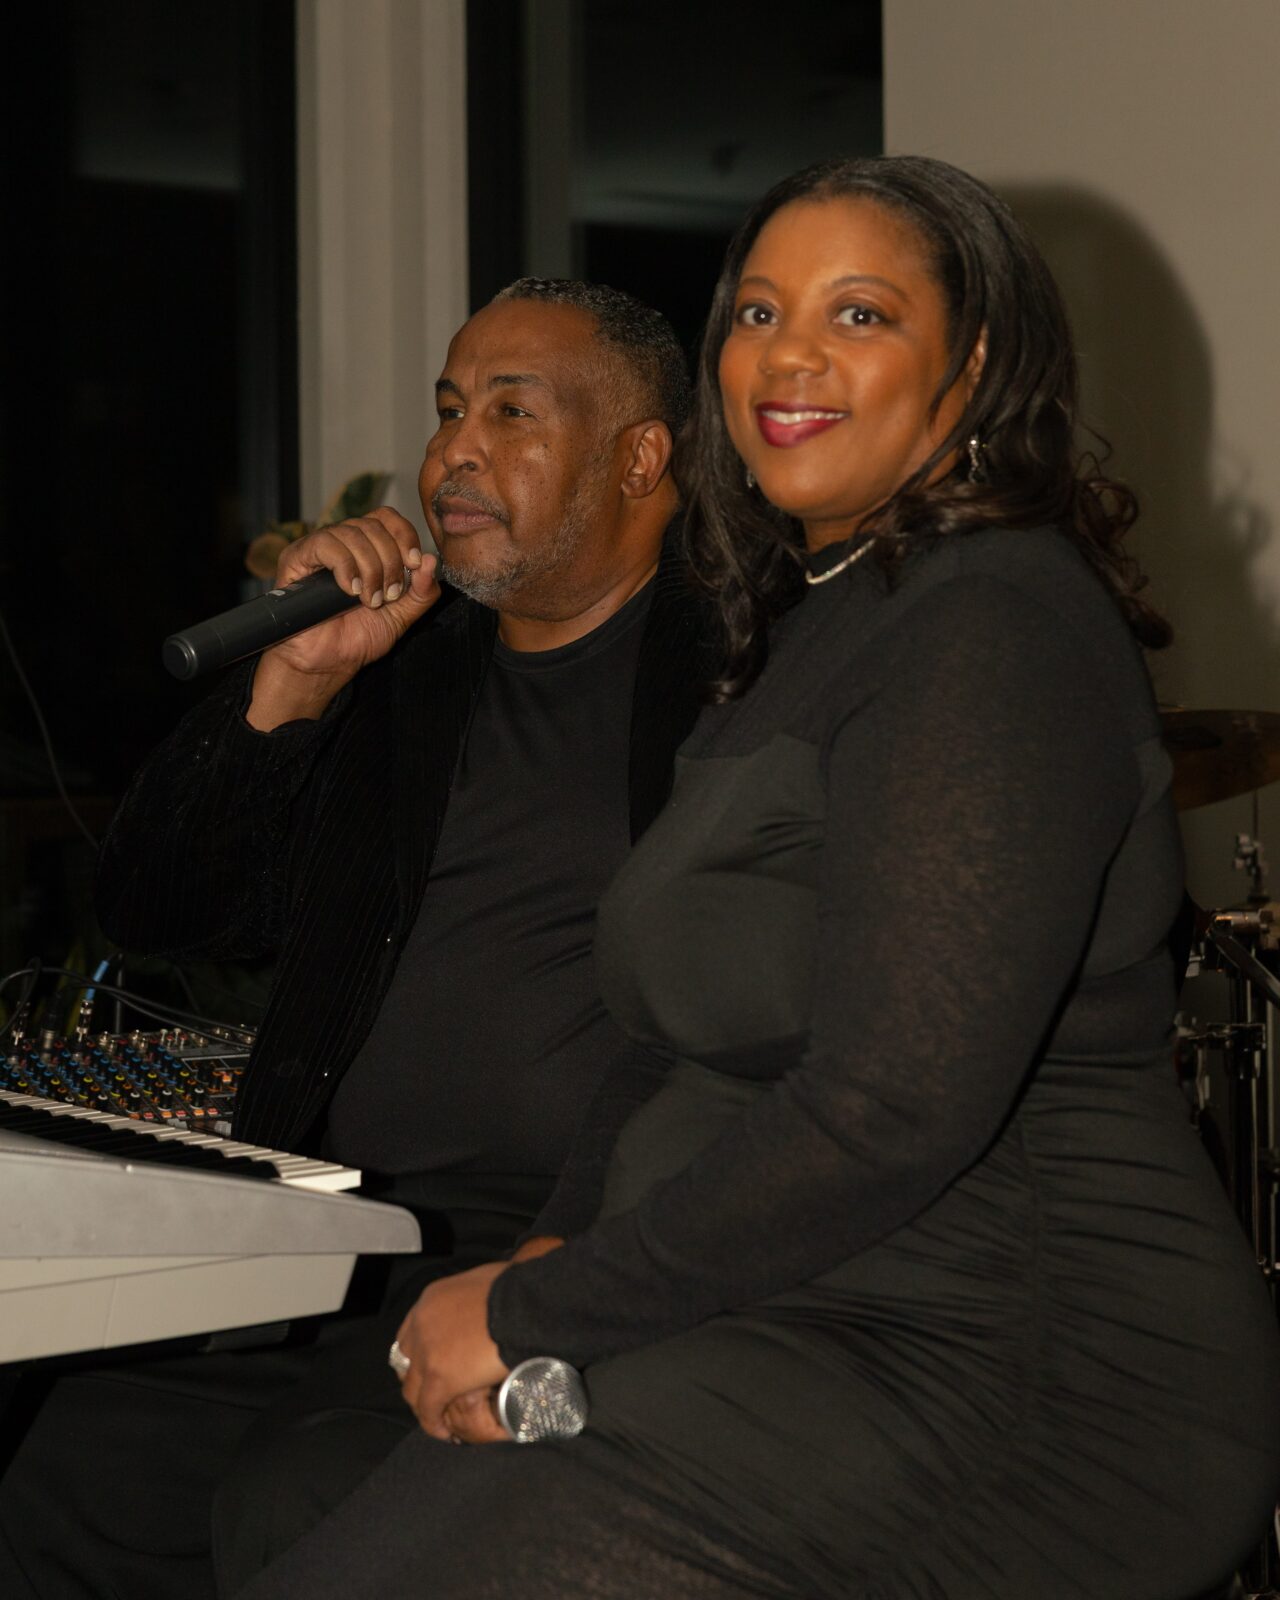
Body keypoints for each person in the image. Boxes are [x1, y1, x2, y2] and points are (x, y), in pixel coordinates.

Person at [234, 156, 1280, 1600]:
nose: (788, 356)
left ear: (976, 364)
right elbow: (661, 1043)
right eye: (759, 312)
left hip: (1023, 1362)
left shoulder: (994, 628)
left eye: (859, 315)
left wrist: (542, 1306)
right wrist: (550, 1250)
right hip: (808, 1305)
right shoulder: (817, 618)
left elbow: (893, 1111)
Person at [0, 280, 709, 1599]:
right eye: (447, 410)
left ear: (639, 456)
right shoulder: (406, 674)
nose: (453, 452)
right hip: (338, 1244)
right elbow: (158, 912)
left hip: (571, 1256)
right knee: (65, 1465)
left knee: (301, 1496)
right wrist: (297, 680)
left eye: (510, 413)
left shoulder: (734, 677)